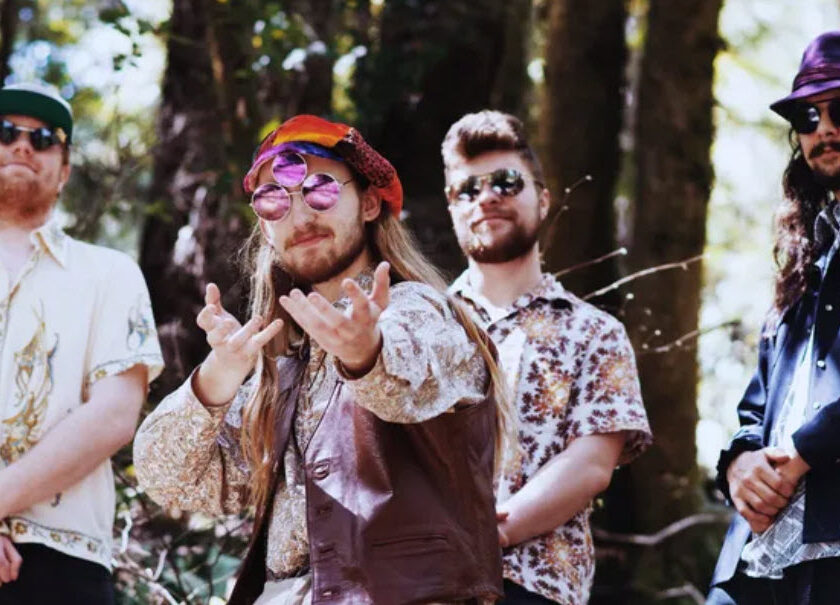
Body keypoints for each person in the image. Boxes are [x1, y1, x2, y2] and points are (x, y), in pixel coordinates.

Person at [134, 114, 509, 604]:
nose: (299, 216)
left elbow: (406, 376)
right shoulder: (282, 372)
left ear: (369, 203)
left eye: (321, 190)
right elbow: (169, 479)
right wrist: (218, 377)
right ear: (265, 229)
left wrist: (366, 353)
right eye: (274, 201)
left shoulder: (418, 310)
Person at [442, 110, 652, 605]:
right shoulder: (418, 326)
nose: (486, 197)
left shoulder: (595, 332)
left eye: (505, 182)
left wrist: (493, 533)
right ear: (452, 207)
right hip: (419, 584)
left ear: (543, 198)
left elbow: (591, 465)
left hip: (533, 588)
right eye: (467, 189)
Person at [0, 81, 163, 604]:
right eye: (5, 132)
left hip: (64, 562)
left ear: (65, 170)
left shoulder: (110, 273)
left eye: (43, 138)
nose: (22, 146)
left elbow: (114, 415)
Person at [708, 31, 840, 605]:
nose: (824, 129)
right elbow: (757, 404)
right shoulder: (805, 257)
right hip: (760, 553)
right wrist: (739, 464)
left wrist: (804, 452)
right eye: (809, 116)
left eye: (839, 111)